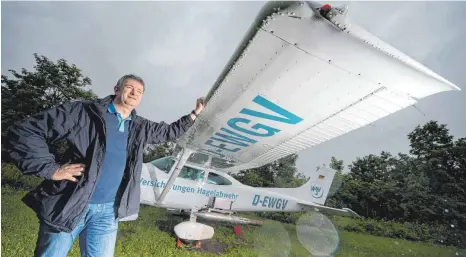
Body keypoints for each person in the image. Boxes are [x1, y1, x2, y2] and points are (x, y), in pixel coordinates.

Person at [5, 74, 204, 257]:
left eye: (140, 91)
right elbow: (26, 131)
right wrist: (51, 169)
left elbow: (168, 132)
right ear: (116, 89)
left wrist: (194, 114)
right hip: (71, 203)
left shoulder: (139, 126)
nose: (134, 93)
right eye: (129, 87)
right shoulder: (83, 112)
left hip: (108, 212)